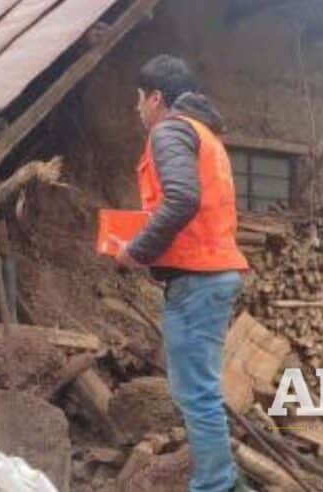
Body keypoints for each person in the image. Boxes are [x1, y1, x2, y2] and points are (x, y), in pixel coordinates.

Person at [115, 54, 254, 492]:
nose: (137, 109)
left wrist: (136, 252)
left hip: (198, 278)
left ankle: (216, 486)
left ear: (156, 98)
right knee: (198, 392)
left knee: (197, 395)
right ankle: (225, 482)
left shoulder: (169, 130)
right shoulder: (203, 135)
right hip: (209, 274)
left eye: (139, 100)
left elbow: (180, 200)